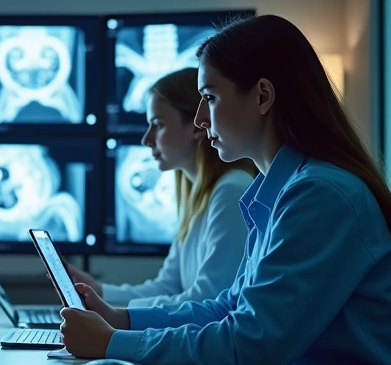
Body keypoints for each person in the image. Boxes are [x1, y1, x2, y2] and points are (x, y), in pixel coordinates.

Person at [59, 14, 391, 365]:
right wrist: (123, 320)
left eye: (209, 98)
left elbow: (251, 345)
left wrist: (112, 343)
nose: (199, 120)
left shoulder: (320, 195)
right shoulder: (280, 193)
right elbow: (229, 306)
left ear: (263, 96)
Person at [66, 67, 256, 307]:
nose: (146, 139)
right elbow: (168, 287)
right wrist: (99, 292)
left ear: (198, 125)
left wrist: (120, 316)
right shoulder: (199, 197)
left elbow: (208, 300)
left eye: (158, 125)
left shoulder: (231, 191)